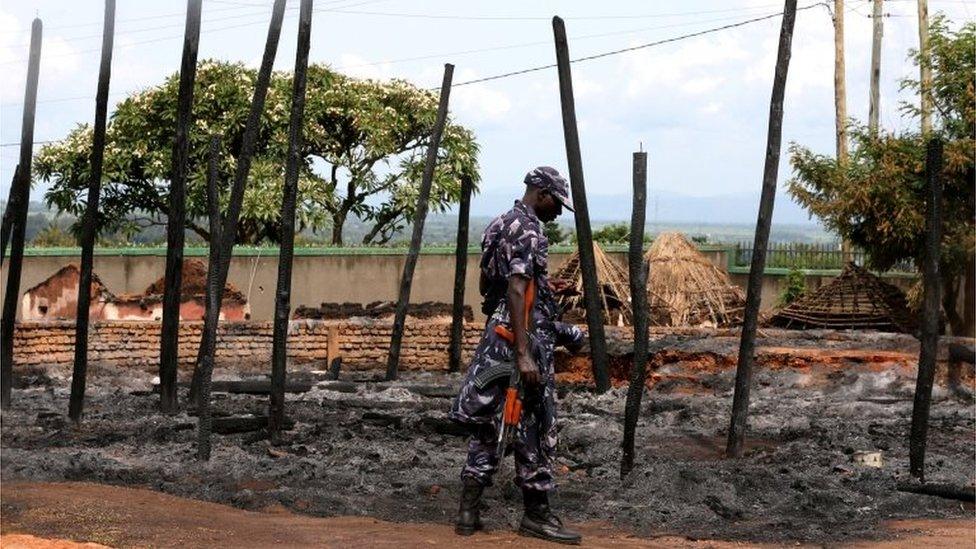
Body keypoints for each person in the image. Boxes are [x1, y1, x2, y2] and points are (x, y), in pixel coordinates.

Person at [449, 166, 585, 544]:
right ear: (540, 194)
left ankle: (467, 512)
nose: (557, 212)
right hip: (518, 342)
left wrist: (543, 287)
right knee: (535, 428)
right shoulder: (530, 230)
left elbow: (489, 284)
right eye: (555, 203)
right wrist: (524, 354)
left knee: (491, 424)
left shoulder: (499, 223)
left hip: (498, 336)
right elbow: (515, 287)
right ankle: (537, 516)